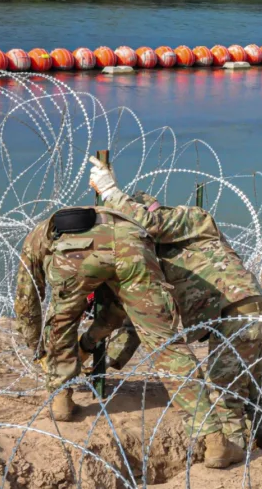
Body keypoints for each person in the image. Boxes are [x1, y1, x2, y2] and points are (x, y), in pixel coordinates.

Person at [14, 200, 243, 467]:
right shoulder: (113, 220)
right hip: (133, 245)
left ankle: (61, 398)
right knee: (165, 344)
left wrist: (38, 349)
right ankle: (213, 439)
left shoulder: (38, 237)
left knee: (61, 322)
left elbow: (26, 299)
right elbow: (117, 309)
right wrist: (89, 343)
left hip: (73, 254)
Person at [79, 179, 262, 454]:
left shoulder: (194, 219)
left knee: (223, 393)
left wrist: (110, 191)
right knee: (247, 383)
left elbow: (149, 222)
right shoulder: (151, 257)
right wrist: (108, 357)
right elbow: (138, 316)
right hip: (246, 312)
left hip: (237, 312)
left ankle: (234, 457)